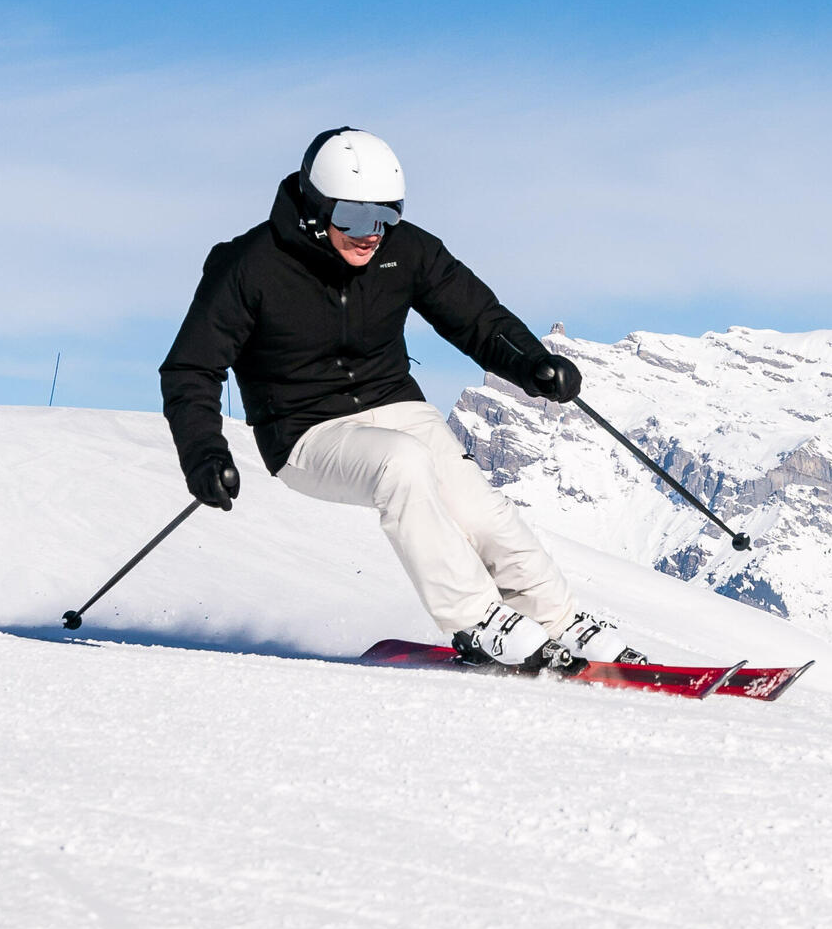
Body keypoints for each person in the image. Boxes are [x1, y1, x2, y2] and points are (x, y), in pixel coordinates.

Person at [159, 127, 643, 671]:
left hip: (395, 405)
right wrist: (204, 455)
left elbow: (477, 318)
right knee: (402, 464)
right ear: (316, 209)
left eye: (387, 216)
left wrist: (532, 363)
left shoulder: (406, 250)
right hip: (303, 431)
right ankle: (477, 619)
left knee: (477, 505)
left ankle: (559, 621)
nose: (373, 235)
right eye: (356, 218)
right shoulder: (249, 266)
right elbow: (190, 370)